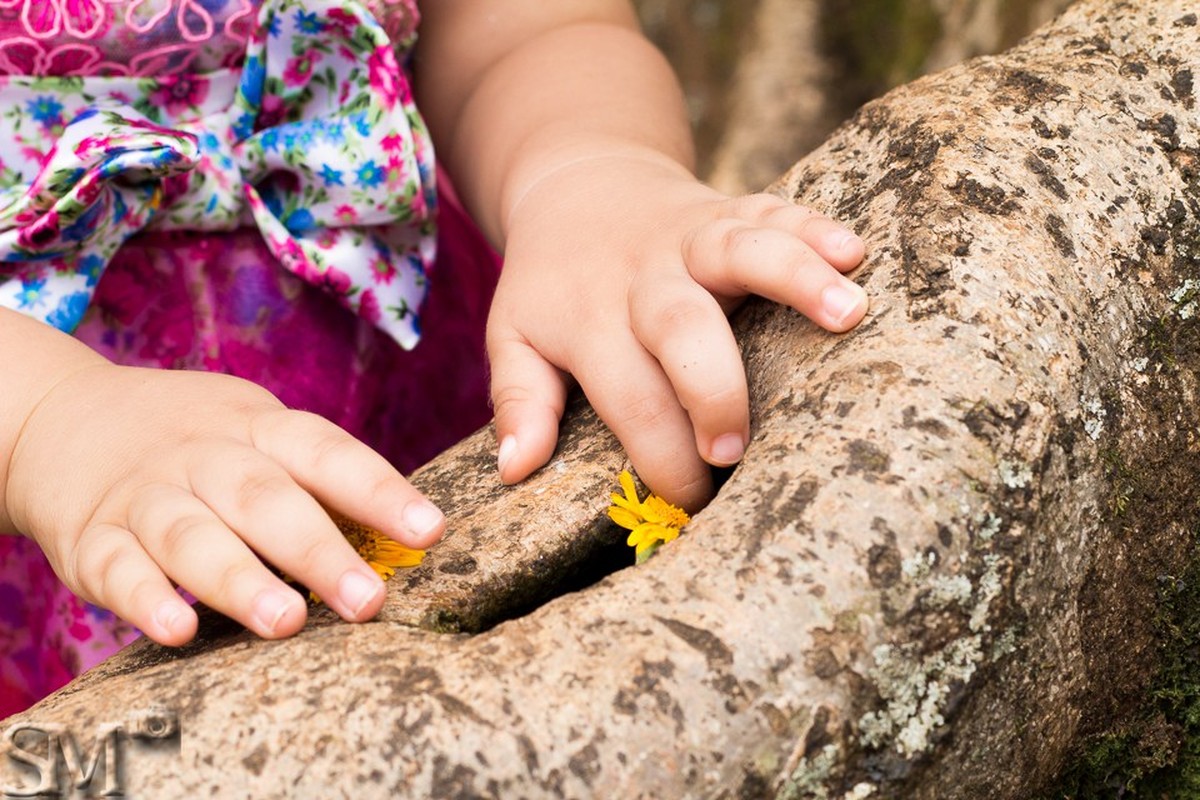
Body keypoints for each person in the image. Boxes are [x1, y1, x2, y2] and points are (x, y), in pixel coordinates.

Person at [0, 0, 868, 713]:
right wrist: (44, 421)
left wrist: (583, 174)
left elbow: (517, 30)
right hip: (62, 461)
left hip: (412, 339)